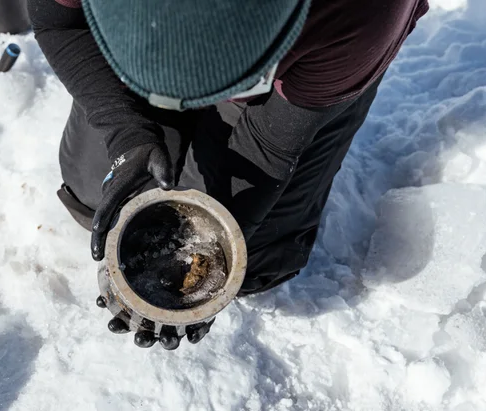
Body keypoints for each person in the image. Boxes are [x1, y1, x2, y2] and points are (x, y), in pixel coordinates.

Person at [28, 0, 429, 349]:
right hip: (149, 41)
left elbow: (268, 144)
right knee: (100, 194)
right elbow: (57, 21)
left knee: (253, 259)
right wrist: (126, 129)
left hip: (304, 73)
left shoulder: (361, 14)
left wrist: (215, 237)